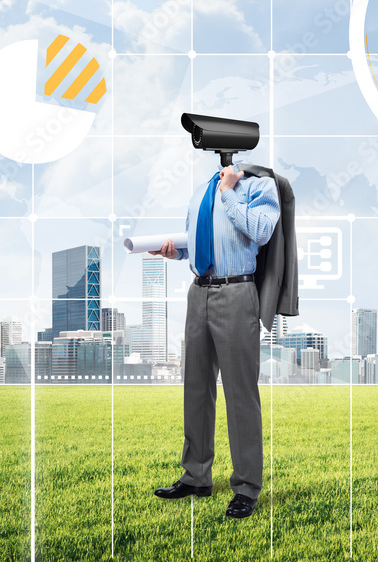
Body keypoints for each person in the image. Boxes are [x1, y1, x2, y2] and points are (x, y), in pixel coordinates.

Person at [151, 161, 280, 519]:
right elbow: (200, 243)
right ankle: (196, 476)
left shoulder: (257, 187)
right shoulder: (199, 193)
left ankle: (246, 487)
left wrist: (229, 192)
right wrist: (176, 251)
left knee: (239, 392)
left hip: (237, 291)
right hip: (198, 293)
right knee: (195, 387)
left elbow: (262, 231)